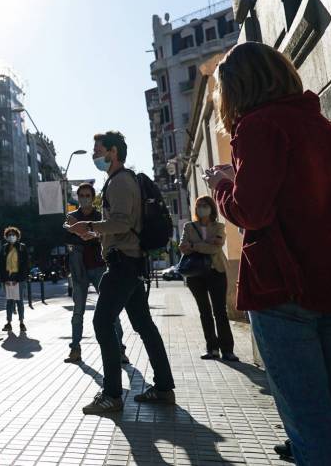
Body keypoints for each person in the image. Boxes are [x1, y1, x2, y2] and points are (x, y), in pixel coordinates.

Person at [205, 42, 331, 465]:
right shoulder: (324, 128)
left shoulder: (257, 127)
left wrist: (222, 184)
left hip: (283, 291)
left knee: (309, 422)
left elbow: (252, 210)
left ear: (236, 89)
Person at [68, 131, 175, 414]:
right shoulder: (120, 181)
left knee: (102, 323)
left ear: (113, 152)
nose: (95, 155)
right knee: (143, 325)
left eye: (98, 150)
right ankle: (164, 387)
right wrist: (94, 233)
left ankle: (113, 395)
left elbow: (122, 222)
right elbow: (119, 225)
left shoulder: (119, 181)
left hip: (123, 264)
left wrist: (90, 228)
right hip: (129, 261)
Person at [63, 183, 125, 364]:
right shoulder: (72, 216)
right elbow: (67, 236)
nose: (84, 198)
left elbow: (108, 234)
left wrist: (86, 232)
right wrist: (85, 233)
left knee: (111, 309)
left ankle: (120, 349)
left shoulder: (100, 216)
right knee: (78, 311)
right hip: (79, 269)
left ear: (92, 196)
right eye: (81, 195)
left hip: (100, 266)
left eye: (87, 195)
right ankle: (75, 349)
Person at [180, 195, 237, 362]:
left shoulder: (219, 226)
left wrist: (194, 246)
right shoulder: (189, 227)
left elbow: (215, 248)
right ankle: (212, 348)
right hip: (195, 274)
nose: (201, 208)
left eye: (205, 205)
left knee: (220, 311)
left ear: (212, 208)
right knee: (204, 311)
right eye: (199, 205)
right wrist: (206, 243)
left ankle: (228, 350)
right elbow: (183, 247)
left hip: (216, 271)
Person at [0, 227, 29, 332]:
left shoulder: (22, 247)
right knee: (9, 301)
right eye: (9, 235)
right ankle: (8, 323)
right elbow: (1, 264)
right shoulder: (4, 248)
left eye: (13, 234)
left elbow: (25, 264)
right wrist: (4, 279)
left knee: (19, 301)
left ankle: (21, 323)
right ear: (6, 237)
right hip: (7, 279)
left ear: (17, 236)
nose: (11, 236)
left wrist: (19, 278)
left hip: (18, 279)